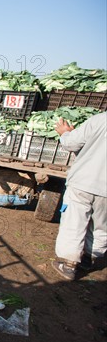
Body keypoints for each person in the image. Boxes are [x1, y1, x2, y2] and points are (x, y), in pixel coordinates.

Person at [52, 112, 106, 280]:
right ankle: (89, 258)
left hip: (83, 181)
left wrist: (65, 133)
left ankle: (68, 264)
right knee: (101, 225)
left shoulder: (100, 119)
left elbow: (71, 143)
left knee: (74, 221)